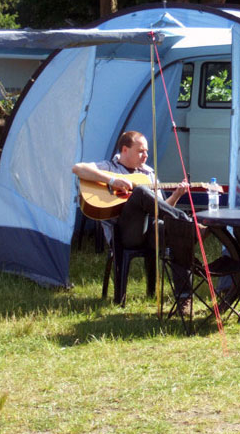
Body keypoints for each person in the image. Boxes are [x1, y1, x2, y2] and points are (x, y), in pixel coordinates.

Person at [72, 130, 194, 312]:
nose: (145, 155)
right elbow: (77, 168)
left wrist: (176, 195)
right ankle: (187, 223)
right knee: (140, 191)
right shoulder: (108, 167)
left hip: (150, 230)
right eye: (140, 151)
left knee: (177, 231)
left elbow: (161, 209)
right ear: (125, 150)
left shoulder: (149, 174)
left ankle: (184, 300)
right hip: (125, 234)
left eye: (147, 151)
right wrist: (112, 180)